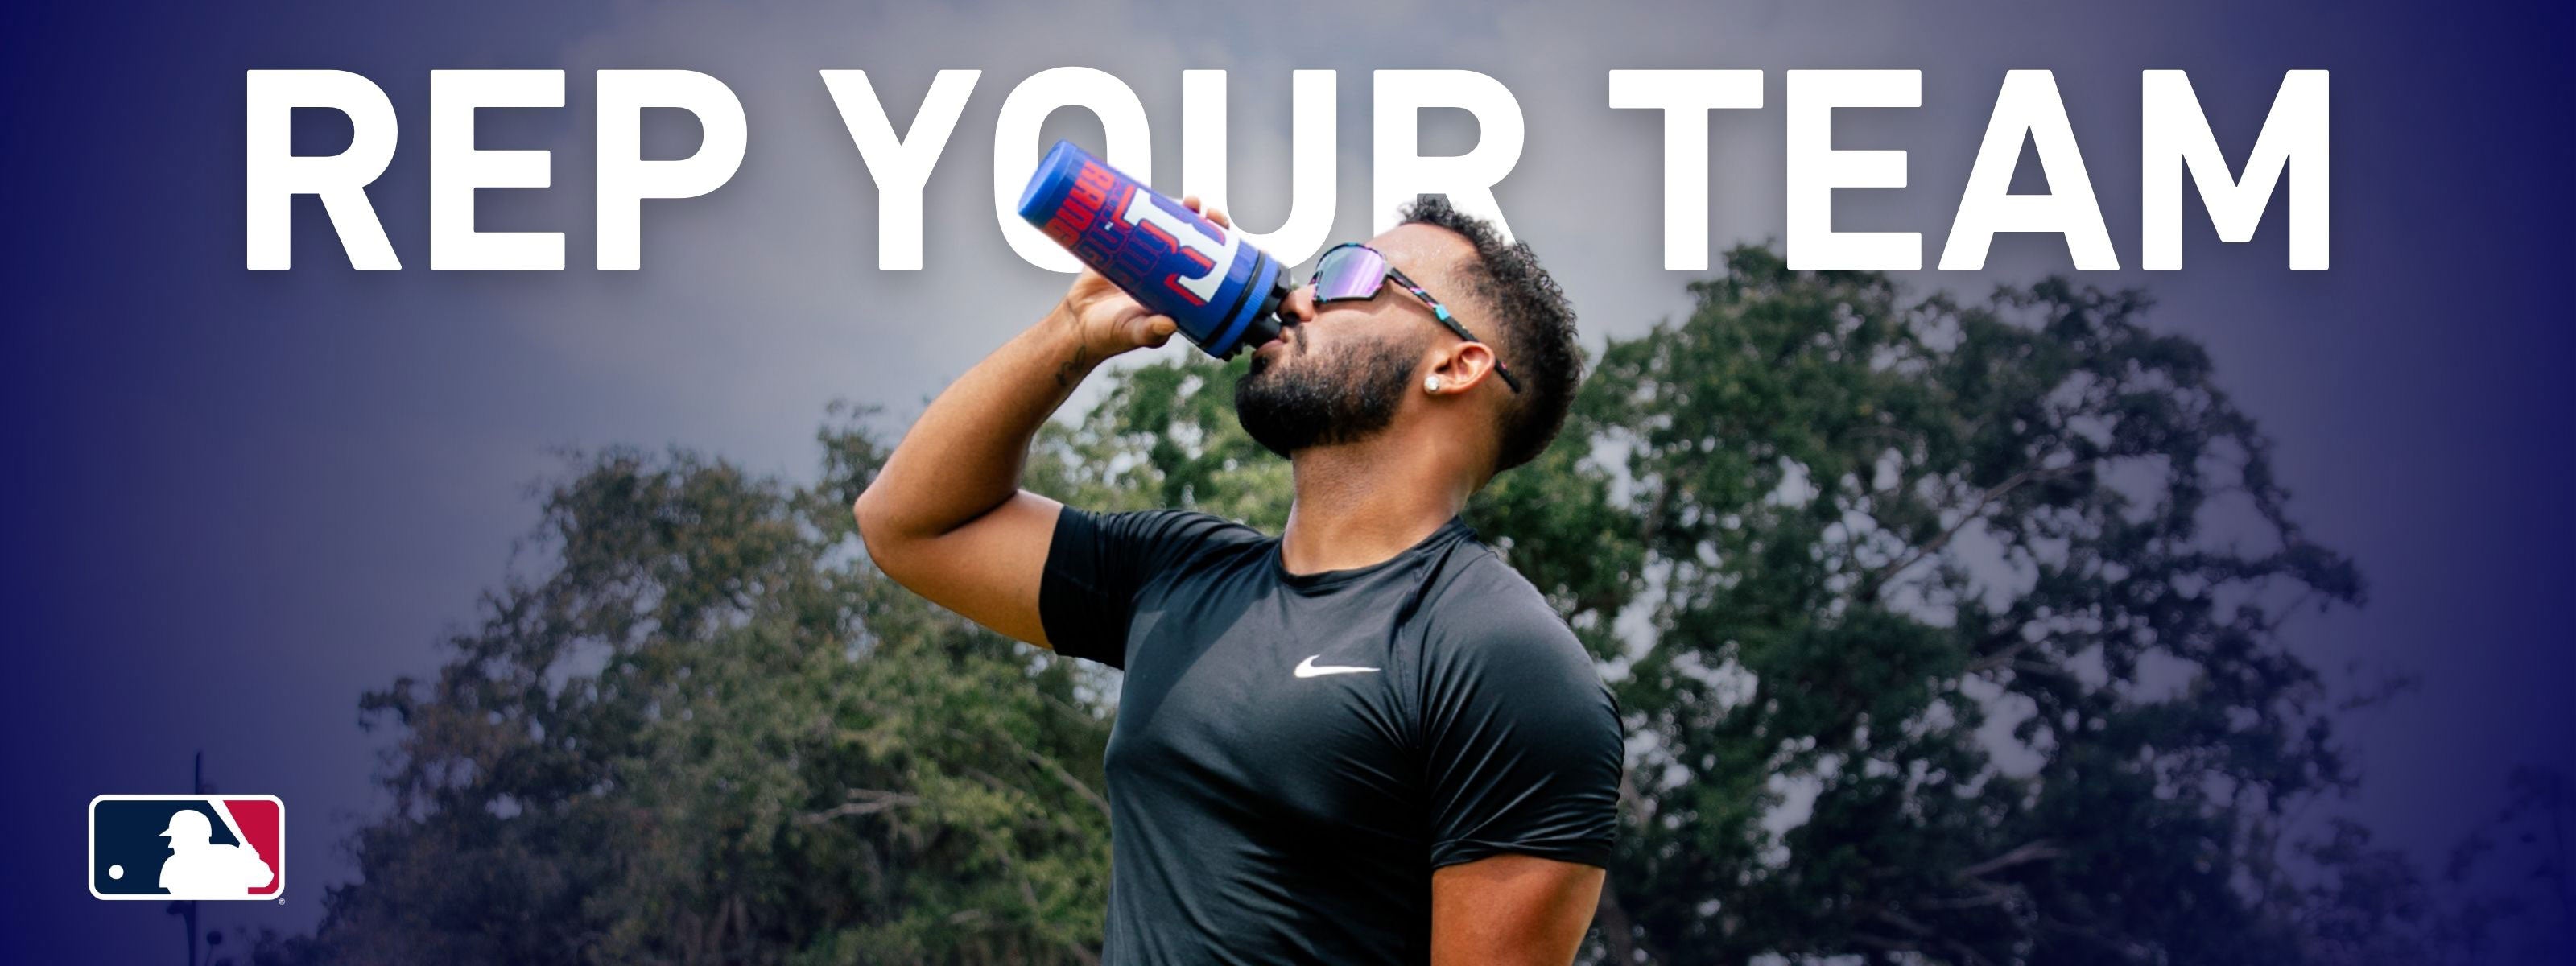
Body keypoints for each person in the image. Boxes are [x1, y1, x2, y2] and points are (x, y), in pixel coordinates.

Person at [854, 194, 1622, 965]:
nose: (1297, 295)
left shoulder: (1501, 659)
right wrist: (1075, 330)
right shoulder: (1178, 572)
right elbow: (911, 525)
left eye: (1350, 272)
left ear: (1457, 365)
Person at [156, 808, 273, 897]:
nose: (171, 844)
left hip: (233, 922)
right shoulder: (173, 865)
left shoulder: (230, 854)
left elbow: (265, 879)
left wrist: (251, 862)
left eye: (177, 837)